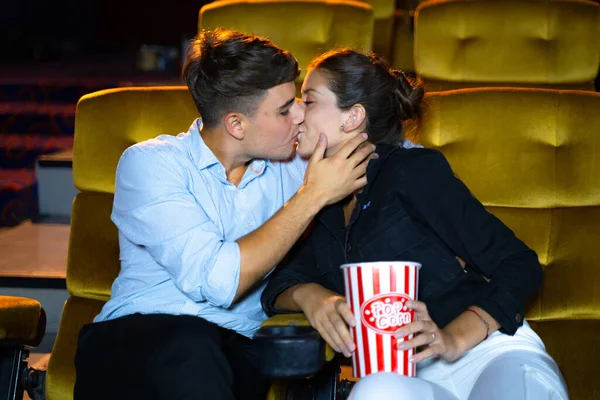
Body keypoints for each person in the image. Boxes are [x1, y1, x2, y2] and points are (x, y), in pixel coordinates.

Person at [72, 28, 383, 400]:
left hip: (234, 350)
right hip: (134, 344)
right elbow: (219, 281)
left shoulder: (294, 163)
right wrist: (312, 195)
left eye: (300, 100)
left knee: (211, 354)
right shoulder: (150, 164)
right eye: (285, 109)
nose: (301, 115)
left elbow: (392, 154)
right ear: (236, 125)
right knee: (192, 346)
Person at [261, 49, 569, 399]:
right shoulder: (320, 202)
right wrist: (312, 296)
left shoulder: (413, 171)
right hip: (410, 375)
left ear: (353, 117)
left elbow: (519, 263)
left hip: (488, 354)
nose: (296, 114)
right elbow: (278, 286)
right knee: (374, 391)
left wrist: (453, 337)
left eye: (309, 101)